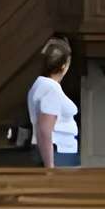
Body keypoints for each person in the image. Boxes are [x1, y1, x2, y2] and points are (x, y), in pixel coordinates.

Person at [28, 38, 80, 167]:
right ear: (64, 65)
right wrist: (50, 167)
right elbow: (45, 129)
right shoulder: (50, 89)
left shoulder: (42, 85)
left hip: (59, 152)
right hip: (58, 153)